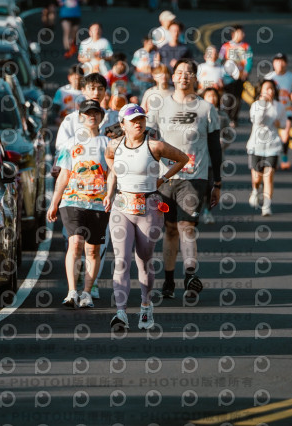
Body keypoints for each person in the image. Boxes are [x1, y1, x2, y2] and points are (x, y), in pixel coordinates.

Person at [104, 103, 188, 330]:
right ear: (123, 124)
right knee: (121, 260)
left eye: (141, 119)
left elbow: (182, 158)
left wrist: (163, 179)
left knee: (144, 259)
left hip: (149, 207)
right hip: (121, 206)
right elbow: (109, 159)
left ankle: (145, 305)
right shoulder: (114, 145)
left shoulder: (155, 146)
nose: (138, 123)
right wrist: (111, 189)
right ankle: (121, 312)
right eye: (133, 120)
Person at [147, 59, 223, 301]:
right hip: (165, 178)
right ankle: (169, 280)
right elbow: (146, 140)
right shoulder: (159, 106)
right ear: (173, 77)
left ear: (195, 78)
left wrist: (217, 183)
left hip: (194, 177)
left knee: (186, 226)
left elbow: (215, 148)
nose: (183, 76)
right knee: (170, 229)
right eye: (179, 72)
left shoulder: (206, 109)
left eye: (188, 73)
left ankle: (190, 274)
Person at [55, 73, 120, 299]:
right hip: (75, 193)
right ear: (83, 91)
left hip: (102, 194)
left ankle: (91, 285)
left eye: (100, 88)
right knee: (74, 241)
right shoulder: (71, 120)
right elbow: (62, 152)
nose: (96, 92)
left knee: (97, 244)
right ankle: (73, 288)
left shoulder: (114, 118)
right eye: (92, 88)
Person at [47, 99, 111, 308]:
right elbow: (64, 175)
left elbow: (113, 173)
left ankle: (87, 293)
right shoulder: (70, 144)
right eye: (87, 113)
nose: (92, 116)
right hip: (72, 200)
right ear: (81, 117)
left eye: (96, 113)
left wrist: (111, 195)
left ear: (101, 117)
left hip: (98, 204)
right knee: (75, 243)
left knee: (92, 250)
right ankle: (72, 292)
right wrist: (54, 202)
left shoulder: (108, 144)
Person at [246, 79, 286, 217]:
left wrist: (279, 123)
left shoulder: (279, 106)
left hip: (272, 146)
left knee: (268, 178)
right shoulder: (256, 105)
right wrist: (263, 104)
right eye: (266, 88)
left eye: (271, 88)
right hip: (256, 145)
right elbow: (257, 120)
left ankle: (266, 206)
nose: (270, 91)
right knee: (257, 178)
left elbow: (284, 123)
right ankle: (255, 190)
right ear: (261, 91)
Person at [200, 87, 232, 224]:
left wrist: (222, 142)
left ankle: (207, 211)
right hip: (199, 158)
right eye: (209, 96)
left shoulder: (222, 116)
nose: (212, 98)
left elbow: (229, 135)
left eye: (214, 96)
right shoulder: (198, 115)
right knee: (199, 187)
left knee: (211, 186)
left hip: (215, 159)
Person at [263, 52, 292, 169]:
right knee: (270, 135)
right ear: (273, 63)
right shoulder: (269, 77)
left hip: (286, 109)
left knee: (285, 135)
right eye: (277, 61)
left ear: (286, 63)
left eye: (282, 61)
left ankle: (284, 157)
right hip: (272, 110)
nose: (280, 64)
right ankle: (271, 158)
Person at [131, 35, 157, 102]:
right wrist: (139, 75)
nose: (152, 44)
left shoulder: (155, 54)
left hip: (151, 81)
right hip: (140, 81)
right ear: (145, 42)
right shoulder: (139, 52)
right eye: (151, 42)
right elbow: (134, 67)